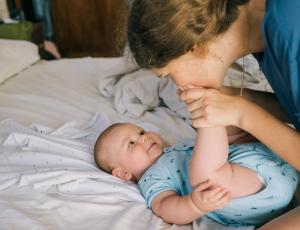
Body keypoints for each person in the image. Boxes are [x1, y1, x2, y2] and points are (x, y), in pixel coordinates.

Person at [127, 1, 300, 228]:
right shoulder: (268, 32)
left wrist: (243, 114)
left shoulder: (289, 30)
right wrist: (239, 100)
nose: (176, 84)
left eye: (168, 74)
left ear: (193, 47)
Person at [93, 122, 298, 227]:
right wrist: (195, 205)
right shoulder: (151, 179)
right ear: (123, 173)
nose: (144, 138)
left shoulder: (178, 145)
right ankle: (211, 119)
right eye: (131, 144)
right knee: (211, 174)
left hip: (276, 159)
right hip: (257, 191)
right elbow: (165, 207)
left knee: (229, 131)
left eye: (141, 132)